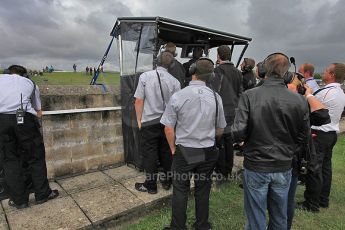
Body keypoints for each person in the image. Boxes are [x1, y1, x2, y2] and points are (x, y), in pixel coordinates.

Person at [231, 53, 310, 230]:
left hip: (257, 165)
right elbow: (304, 137)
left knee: (256, 215)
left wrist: (245, 142)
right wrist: (288, 150)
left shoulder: (249, 95)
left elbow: (237, 132)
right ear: (287, 74)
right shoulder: (300, 100)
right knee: (279, 214)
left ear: (264, 69)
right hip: (283, 165)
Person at [161, 58, 226, 230]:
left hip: (186, 150)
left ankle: (178, 227)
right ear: (210, 76)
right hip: (208, 150)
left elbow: (168, 128)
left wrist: (174, 149)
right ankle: (202, 225)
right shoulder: (216, 97)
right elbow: (220, 128)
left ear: (192, 71)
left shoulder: (179, 96)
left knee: (180, 189)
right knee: (203, 189)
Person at [0, 65, 59, 209]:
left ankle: (19, 200)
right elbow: (38, 110)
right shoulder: (31, 83)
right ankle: (42, 194)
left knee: (10, 161)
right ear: (24, 75)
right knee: (36, 157)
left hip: (3, 121)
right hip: (25, 120)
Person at [298, 63, 345, 212]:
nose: (323, 72)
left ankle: (311, 203)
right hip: (331, 133)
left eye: (325, 70)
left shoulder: (326, 92)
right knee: (325, 168)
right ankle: (323, 199)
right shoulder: (339, 91)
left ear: (331, 75)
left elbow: (312, 105)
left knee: (314, 168)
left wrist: (309, 94)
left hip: (319, 133)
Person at [285, 74, 330, 230]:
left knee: (287, 201)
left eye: (291, 85)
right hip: (280, 157)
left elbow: (324, 116)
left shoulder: (303, 104)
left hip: (293, 160)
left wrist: (308, 95)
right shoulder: (281, 100)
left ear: (300, 88)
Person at [134, 51, 181, 194]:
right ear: (171, 65)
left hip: (149, 121)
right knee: (167, 152)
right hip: (167, 122)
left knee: (150, 154)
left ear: (156, 61)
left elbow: (139, 100)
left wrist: (139, 120)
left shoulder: (145, 76)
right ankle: (167, 181)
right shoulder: (175, 82)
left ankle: (151, 185)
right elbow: (176, 106)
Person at [210, 45, 242, 179]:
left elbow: (214, 91)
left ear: (218, 56)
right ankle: (228, 169)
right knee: (229, 140)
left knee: (219, 140)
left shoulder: (218, 70)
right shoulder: (237, 72)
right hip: (233, 110)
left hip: (221, 110)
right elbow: (240, 92)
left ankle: (221, 170)